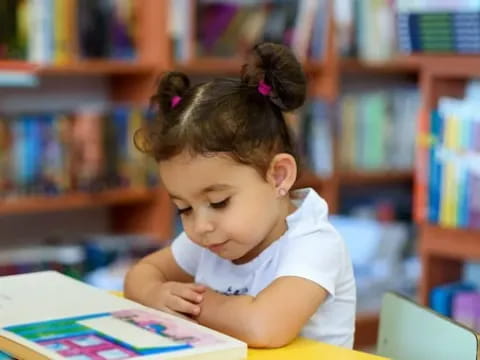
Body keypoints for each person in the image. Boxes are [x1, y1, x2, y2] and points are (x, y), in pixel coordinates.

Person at [124, 42, 356, 349]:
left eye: (219, 202)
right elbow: (140, 274)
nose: (200, 225)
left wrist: (191, 304)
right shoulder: (213, 239)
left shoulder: (314, 243)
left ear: (278, 176)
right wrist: (156, 294)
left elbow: (264, 327)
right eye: (184, 209)